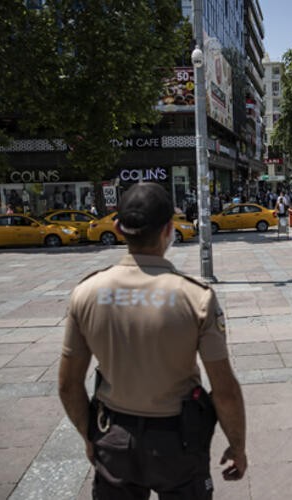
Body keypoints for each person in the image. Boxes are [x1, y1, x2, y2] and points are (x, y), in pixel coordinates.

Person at [58, 183, 247, 499]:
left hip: (113, 435)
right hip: (178, 441)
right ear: (169, 230)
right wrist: (237, 446)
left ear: (119, 228)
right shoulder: (195, 297)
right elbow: (224, 389)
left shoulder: (86, 293)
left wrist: (89, 437)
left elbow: (68, 384)